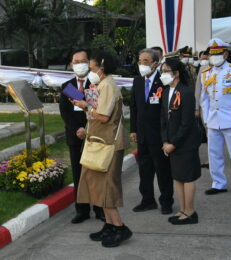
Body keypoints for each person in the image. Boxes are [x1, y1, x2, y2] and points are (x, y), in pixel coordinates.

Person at [72, 50, 132, 247]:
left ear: (102, 67)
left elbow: (104, 117)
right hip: (99, 141)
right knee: (96, 186)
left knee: (107, 188)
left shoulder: (108, 85)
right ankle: (109, 225)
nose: (89, 70)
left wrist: (84, 106)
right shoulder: (100, 84)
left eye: (92, 66)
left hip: (109, 144)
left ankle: (120, 227)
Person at [200, 38, 231, 198]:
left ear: (226, 54)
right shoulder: (205, 73)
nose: (214, 57)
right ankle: (218, 183)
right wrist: (206, 119)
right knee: (214, 154)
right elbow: (204, 99)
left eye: (218, 54)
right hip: (213, 119)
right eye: (212, 54)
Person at [59, 49, 104, 224]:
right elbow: (65, 112)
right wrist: (77, 129)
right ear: (71, 64)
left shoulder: (95, 83)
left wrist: (87, 129)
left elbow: (95, 109)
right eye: (76, 62)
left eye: (83, 61)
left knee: (95, 174)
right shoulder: (68, 86)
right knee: (79, 175)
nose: (80, 64)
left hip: (93, 136)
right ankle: (82, 210)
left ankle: (100, 209)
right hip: (75, 137)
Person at [130, 48, 174, 214]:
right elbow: (134, 107)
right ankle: (147, 200)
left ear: (155, 63)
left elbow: (167, 110)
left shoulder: (163, 81)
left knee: (163, 170)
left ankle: (166, 201)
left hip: (159, 134)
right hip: (142, 134)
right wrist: (133, 129)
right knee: (145, 169)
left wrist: (167, 136)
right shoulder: (138, 81)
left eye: (146, 61)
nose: (142, 65)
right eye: (140, 61)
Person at [160, 57, 201, 225]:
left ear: (176, 73)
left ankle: (190, 212)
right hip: (170, 142)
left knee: (188, 177)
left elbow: (186, 123)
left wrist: (173, 143)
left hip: (185, 143)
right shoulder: (165, 91)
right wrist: (164, 141)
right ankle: (183, 209)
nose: (163, 75)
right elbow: (162, 118)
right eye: (162, 72)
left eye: (166, 71)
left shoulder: (186, 92)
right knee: (178, 177)